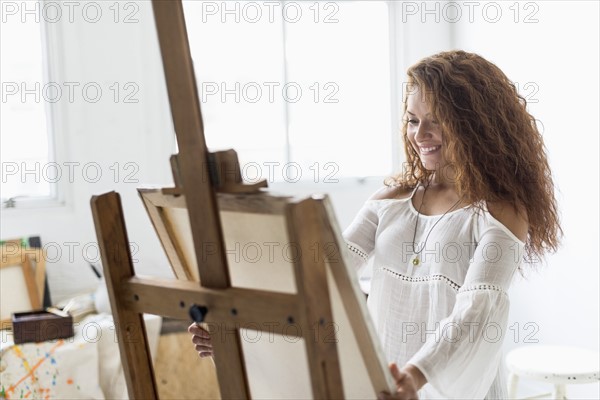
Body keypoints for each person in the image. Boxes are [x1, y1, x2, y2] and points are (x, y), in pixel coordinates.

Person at [189, 50, 561, 399]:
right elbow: (322, 279)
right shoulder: (392, 199)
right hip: (386, 383)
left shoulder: (500, 212)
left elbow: (476, 312)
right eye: (413, 120)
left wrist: (416, 373)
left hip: (441, 386)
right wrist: (237, 328)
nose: (419, 135)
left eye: (437, 122)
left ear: (475, 125)